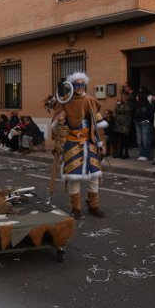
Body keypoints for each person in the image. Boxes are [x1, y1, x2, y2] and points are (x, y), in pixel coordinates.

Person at [51, 72, 107, 218]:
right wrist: (58, 119)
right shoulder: (63, 101)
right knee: (73, 177)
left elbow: (99, 125)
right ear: (71, 86)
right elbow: (55, 128)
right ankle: (76, 208)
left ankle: (93, 205)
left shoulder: (90, 100)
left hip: (90, 143)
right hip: (71, 143)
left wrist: (102, 144)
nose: (80, 87)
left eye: (82, 84)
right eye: (77, 84)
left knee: (94, 176)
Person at [133, 89, 154, 160]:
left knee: (145, 139)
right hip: (137, 123)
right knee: (139, 139)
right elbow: (134, 113)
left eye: (138, 96)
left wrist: (148, 120)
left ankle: (146, 155)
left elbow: (151, 114)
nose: (136, 97)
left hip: (145, 122)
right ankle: (141, 154)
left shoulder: (147, 105)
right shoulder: (137, 104)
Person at [114, 92, 134, 159]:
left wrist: (119, 105)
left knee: (125, 139)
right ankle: (120, 153)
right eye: (123, 97)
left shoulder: (130, 104)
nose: (123, 98)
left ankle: (126, 153)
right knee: (120, 139)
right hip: (120, 124)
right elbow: (117, 111)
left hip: (125, 124)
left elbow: (124, 110)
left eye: (125, 97)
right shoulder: (122, 104)